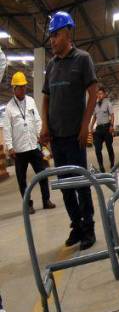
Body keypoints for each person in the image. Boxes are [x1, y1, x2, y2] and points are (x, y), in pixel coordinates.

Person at [39, 11, 98, 250]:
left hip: (75, 137)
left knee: (81, 183)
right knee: (64, 186)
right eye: (50, 36)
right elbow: (45, 98)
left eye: (55, 35)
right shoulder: (52, 65)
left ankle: (89, 227)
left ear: (67, 34)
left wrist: (85, 126)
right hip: (56, 137)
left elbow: (93, 94)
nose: (52, 40)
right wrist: (44, 126)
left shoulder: (83, 59)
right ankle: (76, 225)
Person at [2, 71, 56, 214]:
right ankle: (29, 204)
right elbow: (7, 129)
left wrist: (42, 136)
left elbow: (37, 120)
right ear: (14, 88)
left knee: (43, 174)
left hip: (34, 145)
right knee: (22, 179)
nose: (23, 89)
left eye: (24, 86)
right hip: (19, 150)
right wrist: (10, 146)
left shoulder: (31, 101)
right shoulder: (9, 108)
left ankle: (46, 200)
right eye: (19, 87)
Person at [90, 85, 116, 171]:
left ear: (104, 94)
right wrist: (91, 126)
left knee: (109, 147)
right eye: (98, 94)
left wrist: (111, 126)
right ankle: (101, 166)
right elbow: (94, 116)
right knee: (97, 149)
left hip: (107, 127)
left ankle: (112, 163)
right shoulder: (95, 105)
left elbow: (112, 115)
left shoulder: (108, 103)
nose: (99, 95)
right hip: (99, 129)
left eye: (101, 93)